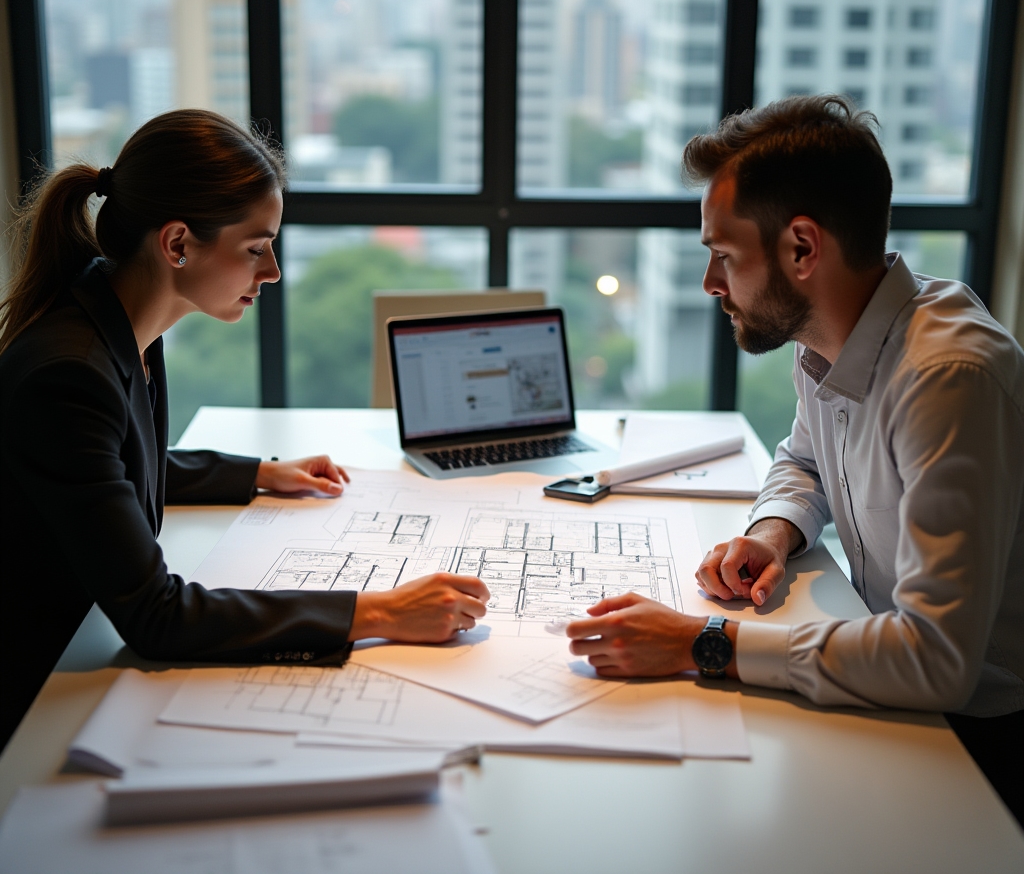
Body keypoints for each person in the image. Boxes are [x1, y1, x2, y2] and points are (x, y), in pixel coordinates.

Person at [566, 95, 1024, 825]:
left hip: (974, 746)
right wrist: (774, 530)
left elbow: (937, 658)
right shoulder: (832, 339)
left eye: (724, 257)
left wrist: (703, 643)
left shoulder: (947, 377)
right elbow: (803, 461)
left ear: (802, 249)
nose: (711, 286)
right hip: (885, 676)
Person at [0, 109, 489, 749]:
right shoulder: (69, 373)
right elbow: (157, 617)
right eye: (256, 248)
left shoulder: (114, 318)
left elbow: (113, 467)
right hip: (37, 706)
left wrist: (258, 473)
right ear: (177, 244)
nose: (274, 272)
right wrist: (380, 611)